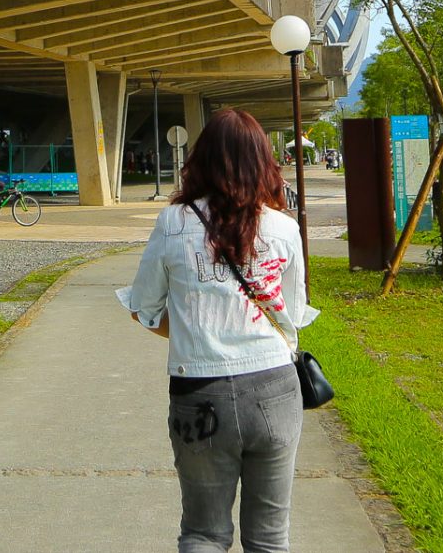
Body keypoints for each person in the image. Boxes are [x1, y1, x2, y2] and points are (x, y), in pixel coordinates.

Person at [119, 107, 317, 553]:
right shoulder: (284, 229)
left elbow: (144, 308)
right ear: (264, 161)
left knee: (203, 533)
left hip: (198, 394)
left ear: (201, 159)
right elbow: (293, 313)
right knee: (269, 538)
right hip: (275, 390)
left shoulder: (174, 222)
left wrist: (192, 330)